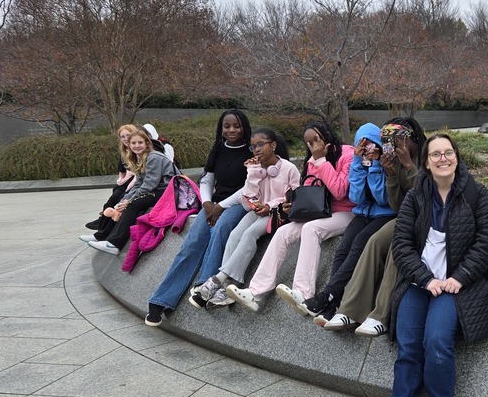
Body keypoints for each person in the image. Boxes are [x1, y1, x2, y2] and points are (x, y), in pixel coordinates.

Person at [382, 133, 488, 397]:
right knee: (408, 347)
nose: (443, 158)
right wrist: (424, 277)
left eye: (448, 153)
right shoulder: (416, 196)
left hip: (455, 287)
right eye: (436, 154)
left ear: (457, 157)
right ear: (426, 162)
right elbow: (401, 244)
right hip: (421, 284)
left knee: (436, 342)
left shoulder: (476, 192)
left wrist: (459, 277)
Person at [141, 111, 255, 327]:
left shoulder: (252, 151)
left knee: (221, 229)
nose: (232, 130)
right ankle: (161, 299)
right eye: (227, 126)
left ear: (245, 127)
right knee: (191, 244)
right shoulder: (219, 148)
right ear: (221, 129)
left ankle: (205, 285)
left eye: (237, 126)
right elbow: (207, 179)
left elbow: (249, 187)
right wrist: (207, 204)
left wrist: (220, 207)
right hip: (213, 204)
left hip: (240, 203)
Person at [226, 121, 354, 312]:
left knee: (312, 229)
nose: (313, 146)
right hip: (322, 212)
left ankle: (303, 292)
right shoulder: (313, 160)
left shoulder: (347, 154)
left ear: (327, 135)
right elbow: (312, 193)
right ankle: (255, 292)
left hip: (346, 212)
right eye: (309, 143)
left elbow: (340, 191)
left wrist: (320, 161)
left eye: (316, 140)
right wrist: (293, 205)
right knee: (283, 232)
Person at [321, 117, 425, 334]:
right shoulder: (393, 160)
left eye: (400, 139)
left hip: (428, 218)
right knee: (374, 242)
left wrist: (408, 165)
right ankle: (349, 310)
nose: (397, 145)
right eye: (391, 140)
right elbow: (397, 204)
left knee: (396, 246)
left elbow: (427, 199)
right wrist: (392, 174)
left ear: (413, 138)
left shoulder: (425, 158)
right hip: (404, 216)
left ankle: (380, 315)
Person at [294, 122, 399, 321]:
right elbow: (356, 196)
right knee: (343, 249)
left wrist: (376, 165)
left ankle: (328, 294)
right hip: (363, 212)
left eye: (372, 144)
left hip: (385, 213)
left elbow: (382, 198)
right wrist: (360, 164)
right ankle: (332, 302)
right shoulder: (356, 162)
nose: (368, 148)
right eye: (363, 143)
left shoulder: (386, 162)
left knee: (360, 244)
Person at [188, 127, 300, 310]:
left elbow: (295, 196)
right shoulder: (255, 169)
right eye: (253, 146)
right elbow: (247, 199)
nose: (256, 149)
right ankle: (225, 290)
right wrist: (253, 173)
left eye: (261, 144)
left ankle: (218, 279)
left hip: (279, 213)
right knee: (235, 234)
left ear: (273, 145)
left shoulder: (289, 169)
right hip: (257, 211)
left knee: (250, 234)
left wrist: (270, 206)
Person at [86, 128, 175, 256]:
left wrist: (130, 201)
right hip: (156, 189)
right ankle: (102, 236)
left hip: (166, 191)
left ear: (147, 143)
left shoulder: (154, 157)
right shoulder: (140, 158)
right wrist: (124, 200)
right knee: (121, 204)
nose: (137, 146)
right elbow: (138, 183)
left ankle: (114, 243)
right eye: (133, 143)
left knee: (132, 205)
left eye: (140, 143)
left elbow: (150, 183)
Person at [85, 124, 138, 232]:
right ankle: (102, 223)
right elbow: (121, 170)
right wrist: (120, 180)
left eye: (128, 135)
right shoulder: (124, 152)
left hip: (135, 181)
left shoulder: (137, 149)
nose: (125, 138)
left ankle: (105, 227)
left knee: (119, 199)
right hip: (126, 180)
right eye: (122, 136)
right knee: (113, 197)